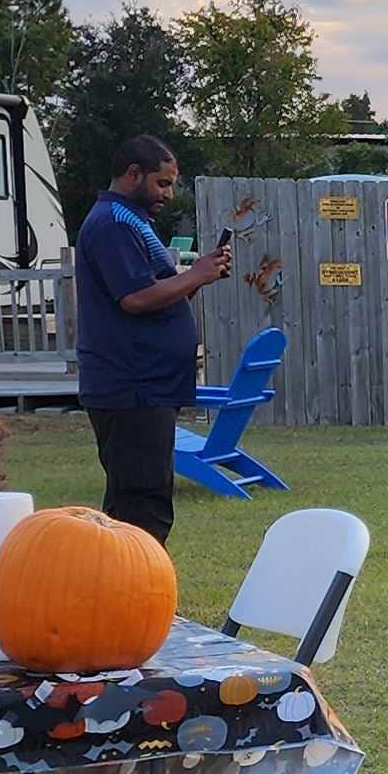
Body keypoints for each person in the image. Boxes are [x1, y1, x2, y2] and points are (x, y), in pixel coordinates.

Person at [73, 133, 232, 541]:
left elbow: (157, 294)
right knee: (142, 507)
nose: (169, 194)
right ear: (133, 173)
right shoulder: (113, 223)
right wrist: (195, 275)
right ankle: (137, 580)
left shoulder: (134, 222)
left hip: (148, 386)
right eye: (162, 183)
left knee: (138, 503)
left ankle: (125, 579)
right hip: (132, 387)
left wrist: (199, 275)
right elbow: (135, 298)